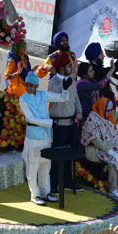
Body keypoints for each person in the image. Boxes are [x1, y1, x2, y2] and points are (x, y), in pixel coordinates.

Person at [19, 72, 70, 205]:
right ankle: (34, 195)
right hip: (34, 137)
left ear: (36, 85)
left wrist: (65, 88)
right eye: (27, 85)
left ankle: (45, 193)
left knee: (45, 166)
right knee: (33, 167)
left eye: (31, 86)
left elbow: (62, 98)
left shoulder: (42, 94)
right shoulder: (23, 99)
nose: (29, 88)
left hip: (46, 136)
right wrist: (50, 123)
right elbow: (30, 118)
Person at [46, 55, 83, 194]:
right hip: (58, 123)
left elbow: (76, 98)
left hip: (71, 122)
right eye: (69, 66)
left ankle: (68, 180)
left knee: (70, 154)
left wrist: (79, 111)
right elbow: (58, 93)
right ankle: (53, 183)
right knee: (56, 155)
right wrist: (64, 83)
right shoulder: (53, 82)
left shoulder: (71, 81)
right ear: (61, 68)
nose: (71, 68)